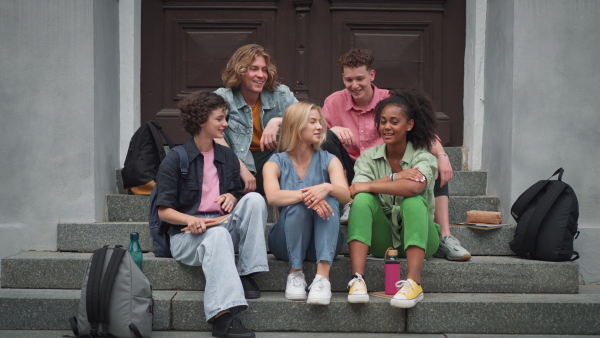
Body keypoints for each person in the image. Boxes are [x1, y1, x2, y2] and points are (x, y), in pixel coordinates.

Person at [322, 48, 470, 261]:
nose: (354, 85)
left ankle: (445, 235)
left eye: (360, 79)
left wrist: (443, 156)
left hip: (388, 164)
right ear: (343, 78)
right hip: (351, 170)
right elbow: (311, 130)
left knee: (431, 164)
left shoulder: (391, 100)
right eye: (349, 79)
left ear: (372, 75)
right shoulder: (333, 102)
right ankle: (348, 203)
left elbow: (423, 133)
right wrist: (332, 130)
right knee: (326, 139)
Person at [155, 91, 269, 338]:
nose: (225, 124)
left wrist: (232, 197)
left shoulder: (227, 156)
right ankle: (222, 317)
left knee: (254, 200)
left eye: (225, 118)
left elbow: (236, 194)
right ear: (200, 122)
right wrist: (190, 219)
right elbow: (164, 211)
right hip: (187, 237)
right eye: (219, 119)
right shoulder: (176, 159)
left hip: (221, 225)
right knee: (216, 236)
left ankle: (247, 274)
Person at [346, 89, 440, 308]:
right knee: (362, 201)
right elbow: (356, 192)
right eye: (382, 121)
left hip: (424, 239)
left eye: (394, 122)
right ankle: (357, 279)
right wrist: (394, 177)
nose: (386, 127)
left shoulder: (423, 156)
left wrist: (371, 185)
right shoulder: (368, 158)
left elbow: (413, 188)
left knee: (413, 200)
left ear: (409, 125)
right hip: (383, 242)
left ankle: (414, 283)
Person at [263, 102, 351, 305]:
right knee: (299, 203)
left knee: (329, 196)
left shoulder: (330, 159)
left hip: (325, 242)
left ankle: (322, 278)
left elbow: (345, 195)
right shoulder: (275, 162)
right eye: (312, 122)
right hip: (285, 242)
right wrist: (307, 196)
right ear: (295, 126)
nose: (320, 126)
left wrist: (327, 188)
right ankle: (295, 273)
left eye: (320, 122)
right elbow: (273, 197)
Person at [215, 44, 298, 195]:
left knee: (320, 140)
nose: (261, 75)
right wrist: (241, 168)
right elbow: (213, 134)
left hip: (276, 158)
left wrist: (278, 121)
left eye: (264, 69)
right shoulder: (224, 97)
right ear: (239, 72)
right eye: (254, 69)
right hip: (240, 161)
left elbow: (310, 119)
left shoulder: (280, 94)